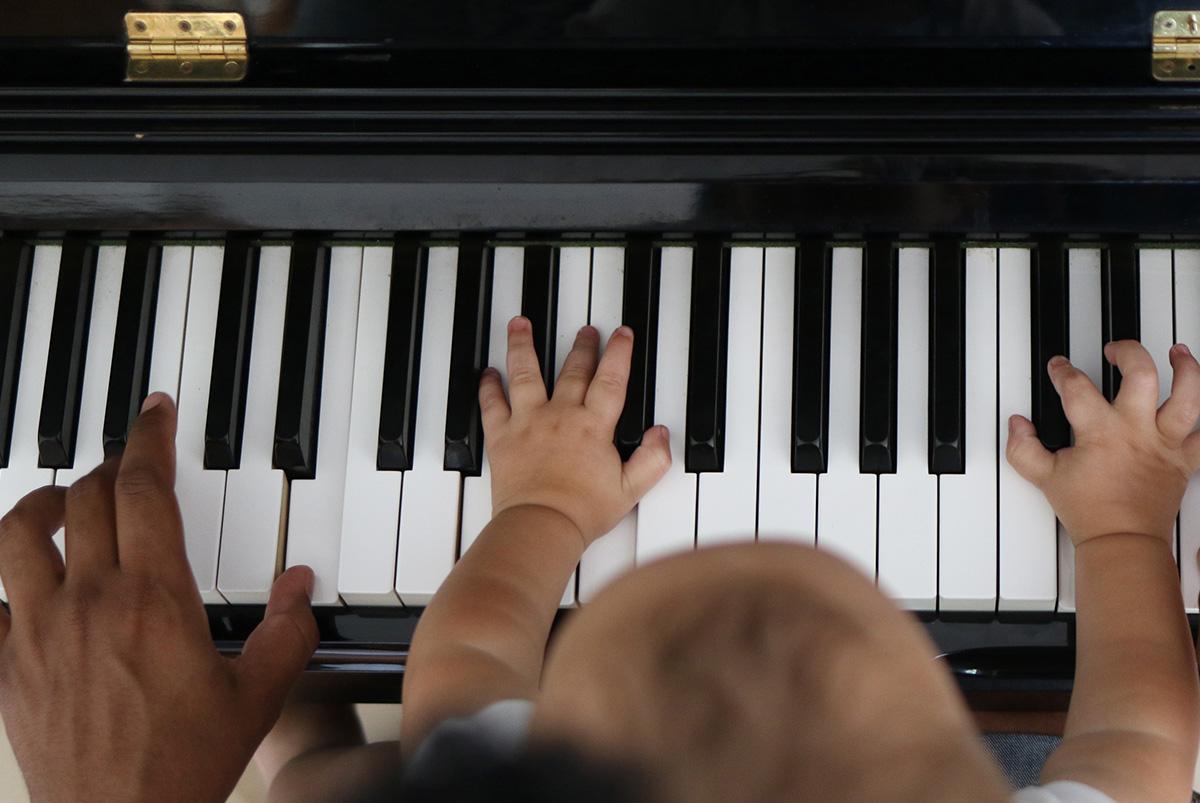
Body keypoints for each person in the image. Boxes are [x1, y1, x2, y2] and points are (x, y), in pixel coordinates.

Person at [0, 318, 1196, 802]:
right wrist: (1131, 527)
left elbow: (465, 642)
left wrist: (545, 504)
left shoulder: (488, 751)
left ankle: (311, 741)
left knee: (317, 762)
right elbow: (1147, 732)